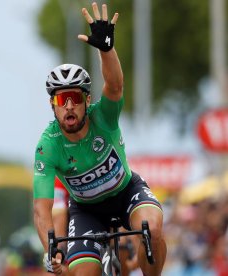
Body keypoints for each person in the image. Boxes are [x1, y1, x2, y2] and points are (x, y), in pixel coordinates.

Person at [32, 2, 167, 276]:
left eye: (75, 98)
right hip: (86, 210)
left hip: (127, 191)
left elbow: (115, 85)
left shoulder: (103, 117)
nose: (69, 106)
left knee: (151, 229)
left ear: (87, 100)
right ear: (53, 105)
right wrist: (51, 247)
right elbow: (42, 207)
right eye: (61, 99)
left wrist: (107, 50)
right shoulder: (48, 145)